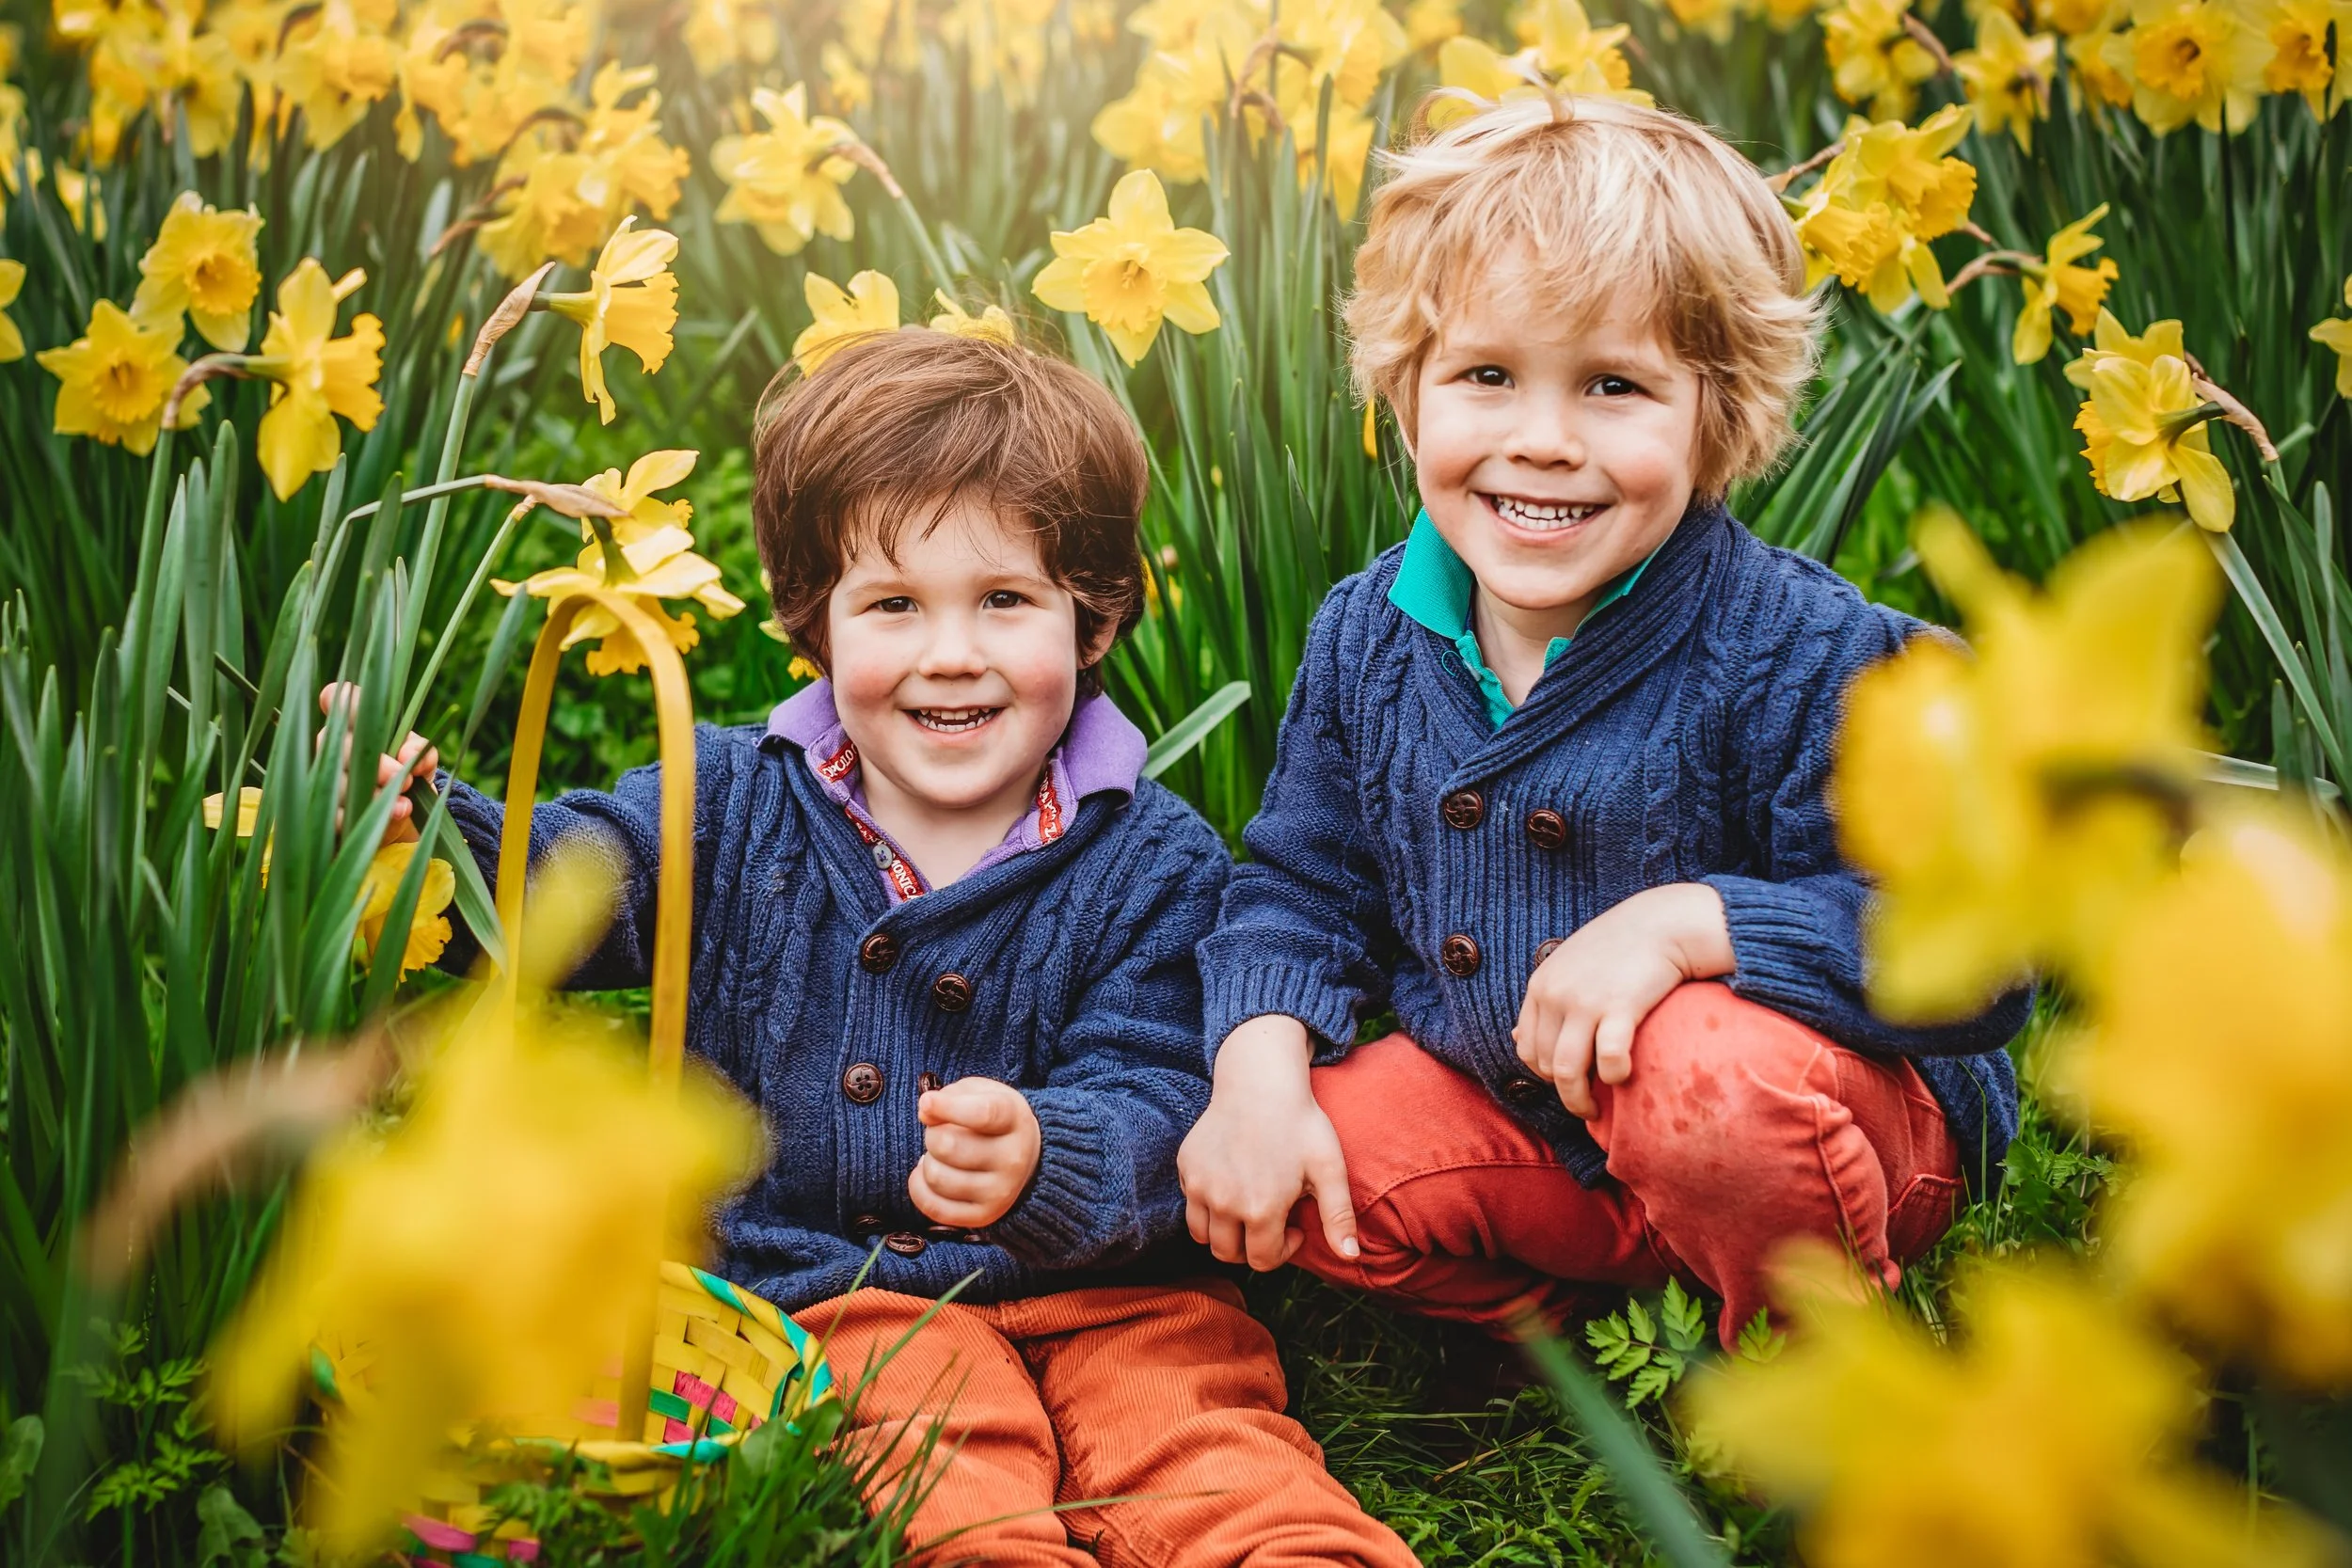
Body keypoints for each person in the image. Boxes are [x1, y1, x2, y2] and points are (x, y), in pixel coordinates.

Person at [366, 329, 1417, 1567]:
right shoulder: (732, 802)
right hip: (839, 1290)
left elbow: (1162, 1092)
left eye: (1005, 600)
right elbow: (572, 885)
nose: (951, 652)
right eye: (896, 604)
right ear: (815, 622)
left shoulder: (1155, 857)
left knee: (1200, 1435)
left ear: (1093, 618)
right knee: (939, 1450)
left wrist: (1047, 1152)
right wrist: (433, 837)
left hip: (1125, 1290)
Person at [1177, 94, 2031, 1354]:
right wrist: (1254, 1070)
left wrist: (1694, 926)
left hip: (1819, 1127)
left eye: (1613, 385)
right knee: (1313, 1163)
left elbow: (1974, 951)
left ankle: (1821, 1368)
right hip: (1546, 1128)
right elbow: (1302, 883)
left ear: (1716, 413)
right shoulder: (1370, 634)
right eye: (1485, 375)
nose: (1542, 441)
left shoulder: (1797, 651)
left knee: (1699, 1070)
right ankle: (1632, 1328)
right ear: (1407, 397)